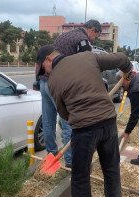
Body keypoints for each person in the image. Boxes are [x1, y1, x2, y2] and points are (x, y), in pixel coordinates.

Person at [36, 45, 131, 197]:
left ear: (48, 59)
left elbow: (64, 113)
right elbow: (121, 58)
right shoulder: (88, 57)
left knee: (80, 175)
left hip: (84, 129)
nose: (45, 73)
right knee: (111, 169)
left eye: (43, 69)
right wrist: (127, 71)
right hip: (108, 122)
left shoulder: (53, 80)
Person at [38, 19, 102, 168]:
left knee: (48, 122)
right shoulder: (83, 41)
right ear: (92, 30)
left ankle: (51, 158)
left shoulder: (65, 35)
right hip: (59, 84)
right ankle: (70, 161)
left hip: (44, 82)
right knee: (68, 123)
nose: (94, 39)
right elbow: (86, 66)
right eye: (96, 36)